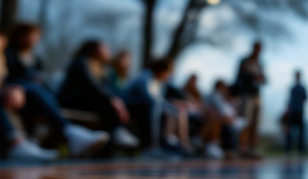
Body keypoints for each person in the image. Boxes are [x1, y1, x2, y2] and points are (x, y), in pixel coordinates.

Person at [0, 32, 109, 160]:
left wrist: (13, 88)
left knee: (35, 88)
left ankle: (71, 133)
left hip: (11, 93)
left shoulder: (27, 58)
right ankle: (15, 144)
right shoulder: (81, 63)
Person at [57, 40, 140, 150]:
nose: (108, 51)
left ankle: (113, 137)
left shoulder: (103, 69)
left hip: (89, 103)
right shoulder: (81, 62)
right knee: (107, 102)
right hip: (72, 102)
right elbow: (90, 86)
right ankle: (116, 132)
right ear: (95, 50)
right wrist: (112, 99)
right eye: (105, 48)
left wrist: (115, 99)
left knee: (112, 103)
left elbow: (108, 89)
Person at [120, 58, 180, 155]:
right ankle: (150, 146)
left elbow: (160, 100)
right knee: (155, 106)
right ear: (161, 70)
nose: (168, 76)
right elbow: (149, 98)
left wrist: (173, 107)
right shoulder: (145, 77)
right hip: (128, 107)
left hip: (144, 107)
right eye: (167, 72)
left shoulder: (159, 83)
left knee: (169, 110)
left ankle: (168, 143)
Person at [234, 42, 266, 157]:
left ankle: (252, 148)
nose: (258, 51)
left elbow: (264, 79)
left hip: (256, 95)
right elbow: (238, 76)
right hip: (246, 94)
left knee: (255, 122)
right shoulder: (245, 61)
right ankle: (242, 146)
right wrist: (250, 75)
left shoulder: (260, 63)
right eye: (257, 48)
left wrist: (260, 77)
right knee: (245, 121)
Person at [285, 70, 308, 153]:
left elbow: (306, 98)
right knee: (289, 130)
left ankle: (300, 149)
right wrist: (288, 110)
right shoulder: (292, 88)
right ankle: (288, 149)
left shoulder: (302, 88)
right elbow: (289, 100)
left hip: (300, 111)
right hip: (292, 111)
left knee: (301, 131)